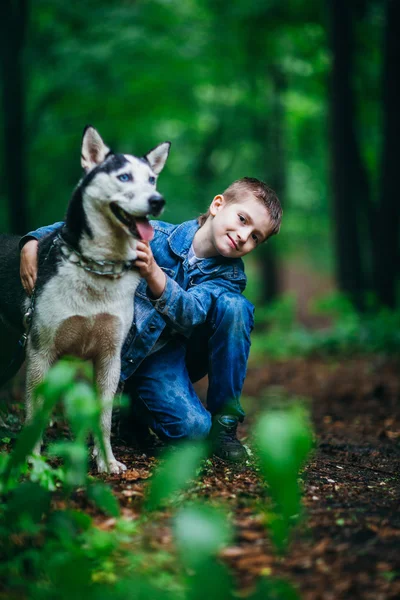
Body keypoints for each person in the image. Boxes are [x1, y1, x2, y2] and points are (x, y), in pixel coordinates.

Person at [20, 177, 282, 462]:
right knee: (192, 430)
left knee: (235, 309)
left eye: (256, 236)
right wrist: (33, 240)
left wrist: (155, 275)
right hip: (119, 353)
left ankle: (223, 425)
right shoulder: (154, 234)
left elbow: (190, 312)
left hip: (166, 356)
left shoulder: (229, 277)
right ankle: (130, 412)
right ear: (218, 205)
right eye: (243, 219)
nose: (245, 236)